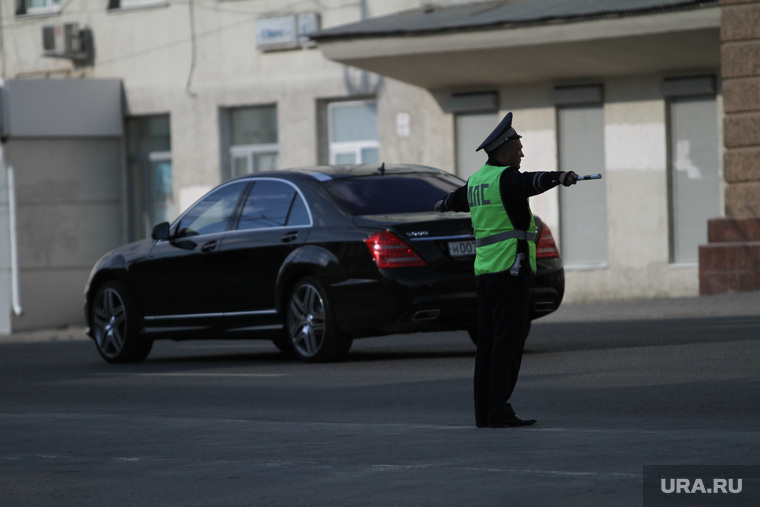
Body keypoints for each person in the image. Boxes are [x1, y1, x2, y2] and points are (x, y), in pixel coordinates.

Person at [435, 112, 578, 428]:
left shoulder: (476, 182)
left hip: (485, 274)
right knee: (508, 344)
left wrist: (442, 204)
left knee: (487, 344)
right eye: (518, 148)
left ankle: (483, 412)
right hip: (511, 273)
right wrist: (561, 176)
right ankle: (498, 409)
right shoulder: (506, 178)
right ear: (502, 152)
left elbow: (455, 199)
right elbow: (533, 181)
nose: (522, 153)